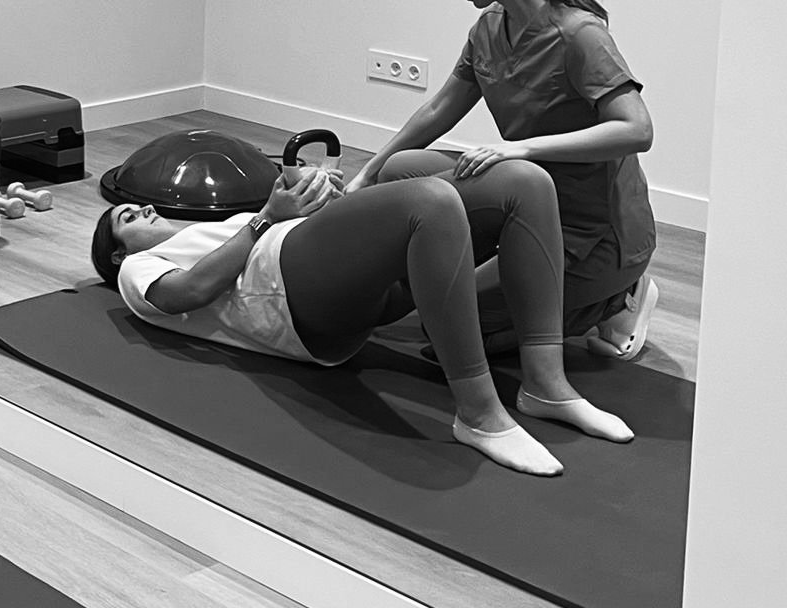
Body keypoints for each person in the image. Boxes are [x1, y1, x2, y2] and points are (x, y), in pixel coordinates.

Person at [92, 147, 636, 481]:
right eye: (124, 218)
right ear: (118, 251)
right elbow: (188, 292)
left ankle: (545, 384)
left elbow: (289, 228)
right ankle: (479, 415)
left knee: (525, 182)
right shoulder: (137, 268)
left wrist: (317, 199)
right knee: (430, 200)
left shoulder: (201, 228)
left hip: (324, 271)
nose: (138, 210)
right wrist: (265, 217)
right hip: (294, 294)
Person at [347, 0, 658, 359]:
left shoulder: (578, 34)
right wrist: (369, 172)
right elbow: (439, 110)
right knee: (403, 171)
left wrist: (524, 149)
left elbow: (637, 130)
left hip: (593, 234)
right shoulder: (489, 28)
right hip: (528, 204)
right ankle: (500, 273)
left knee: (448, 321)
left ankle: (618, 301)